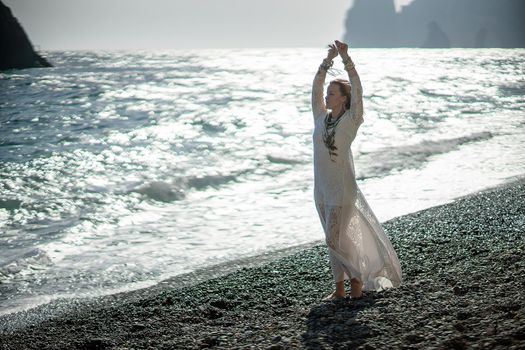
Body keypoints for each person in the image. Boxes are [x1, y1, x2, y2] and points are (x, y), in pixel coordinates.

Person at [312, 40, 402, 300]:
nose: (326, 96)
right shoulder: (320, 117)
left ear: (344, 98)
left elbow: (359, 90)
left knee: (333, 239)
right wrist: (327, 60)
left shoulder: (351, 120)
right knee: (334, 242)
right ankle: (340, 290)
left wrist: (346, 59)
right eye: (327, 93)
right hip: (320, 190)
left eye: (332, 93)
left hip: (341, 190)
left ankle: (358, 279)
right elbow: (315, 87)